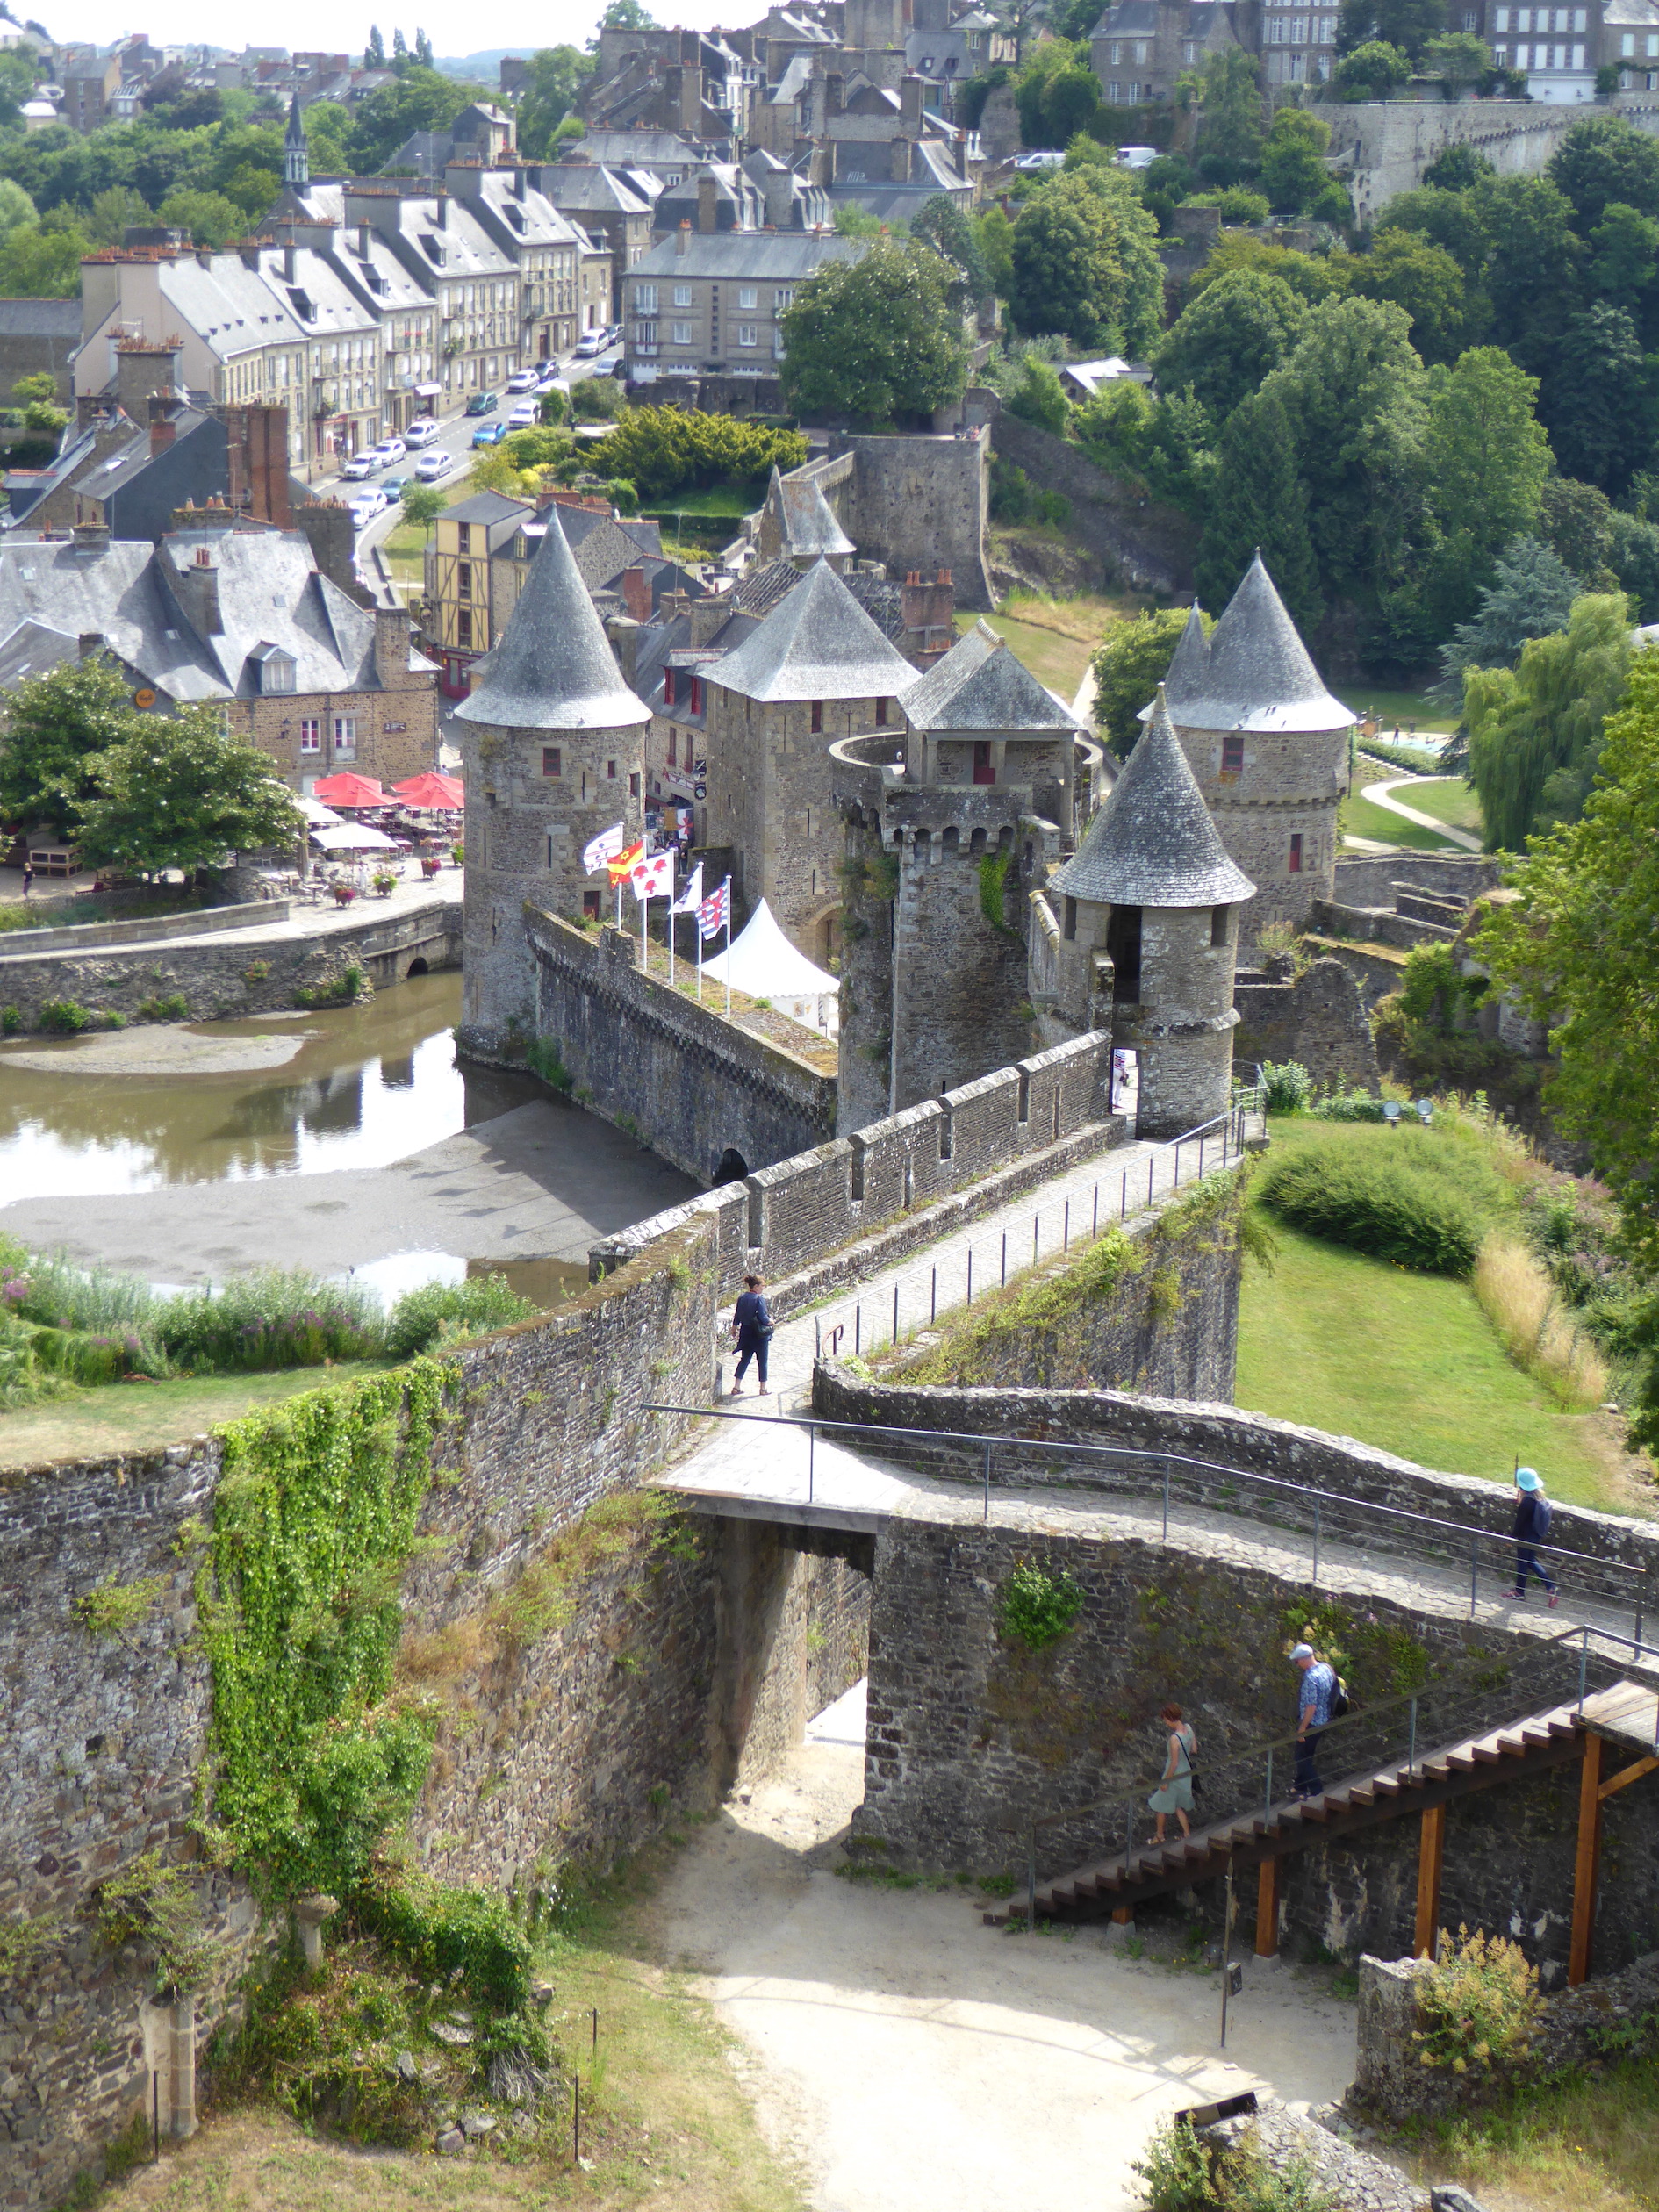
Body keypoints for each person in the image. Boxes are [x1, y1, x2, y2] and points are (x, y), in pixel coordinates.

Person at [1291, 1642, 1338, 1799]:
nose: (1297, 1665)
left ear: (1304, 1659)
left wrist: (1303, 1728)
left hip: (1312, 1723)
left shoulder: (1311, 1678)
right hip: (1325, 1719)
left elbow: (1311, 1706)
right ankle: (1299, 1787)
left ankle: (1316, 1791)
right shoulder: (1326, 1668)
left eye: (1297, 1661)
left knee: (1301, 1757)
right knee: (1306, 1755)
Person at [1147, 1703, 1196, 1845]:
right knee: (1177, 1805)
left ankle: (1159, 1836)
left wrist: (1165, 1781)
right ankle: (1186, 1834)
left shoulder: (1174, 1739)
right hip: (1185, 1772)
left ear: (1170, 1718)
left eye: (1165, 1719)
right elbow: (1194, 1749)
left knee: (1160, 1804)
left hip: (1173, 1775)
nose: (1165, 1723)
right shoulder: (1188, 1729)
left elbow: (1174, 1763)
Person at [1511, 1467, 1559, 1606]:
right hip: (1535, 1536)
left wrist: (1511, 1538)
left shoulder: (1526, 1502)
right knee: (1530, 1561)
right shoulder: (1539, 1498)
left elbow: (1519, 1523)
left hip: (1525, 1537)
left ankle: (1520, 1593)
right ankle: (1551, 1588)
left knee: (1522, 1563)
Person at [730, 1274, 773, 1396]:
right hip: (759, 1334)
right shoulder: (759, 1299)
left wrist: (734, 1327)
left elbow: (737, 1314)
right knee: (762, 1361)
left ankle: (736, 1386)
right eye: (762, 1286)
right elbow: (763, 1317)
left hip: (746, 1332)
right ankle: (763, 1388)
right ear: (755, 1286)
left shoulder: (742, 1297)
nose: (763, 1288)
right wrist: (771, 1321)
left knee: (744, 1360)